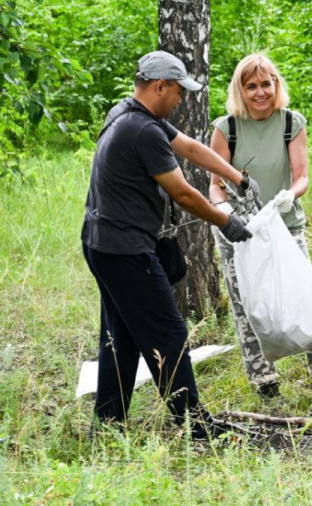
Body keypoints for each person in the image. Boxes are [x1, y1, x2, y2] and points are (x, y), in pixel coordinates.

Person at [81, 51, 255, 439]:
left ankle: (109, 423)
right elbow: (184, 195)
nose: (180, 100)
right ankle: (196, 426)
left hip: (100, 242)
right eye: (177, 92)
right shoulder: (143, 130)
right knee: (168, 333)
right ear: (159, 86)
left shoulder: (130, 114)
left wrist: (236, 177)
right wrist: (226, 221)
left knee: (120, 335)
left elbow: (191, 147)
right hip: (123, 249)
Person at [208, 54, 312, 398]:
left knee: (304, 295)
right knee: (249, 303)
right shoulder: (225, 128)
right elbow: (214, 183)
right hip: (240, 229)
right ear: (240, 90)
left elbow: (302, 176)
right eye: (251, 86)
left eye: (266, 84)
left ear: (276, 85)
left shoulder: (291, 122)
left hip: (284, 223)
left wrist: (289, 194)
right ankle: (264, 379)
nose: (260, 93)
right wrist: (225, 210)